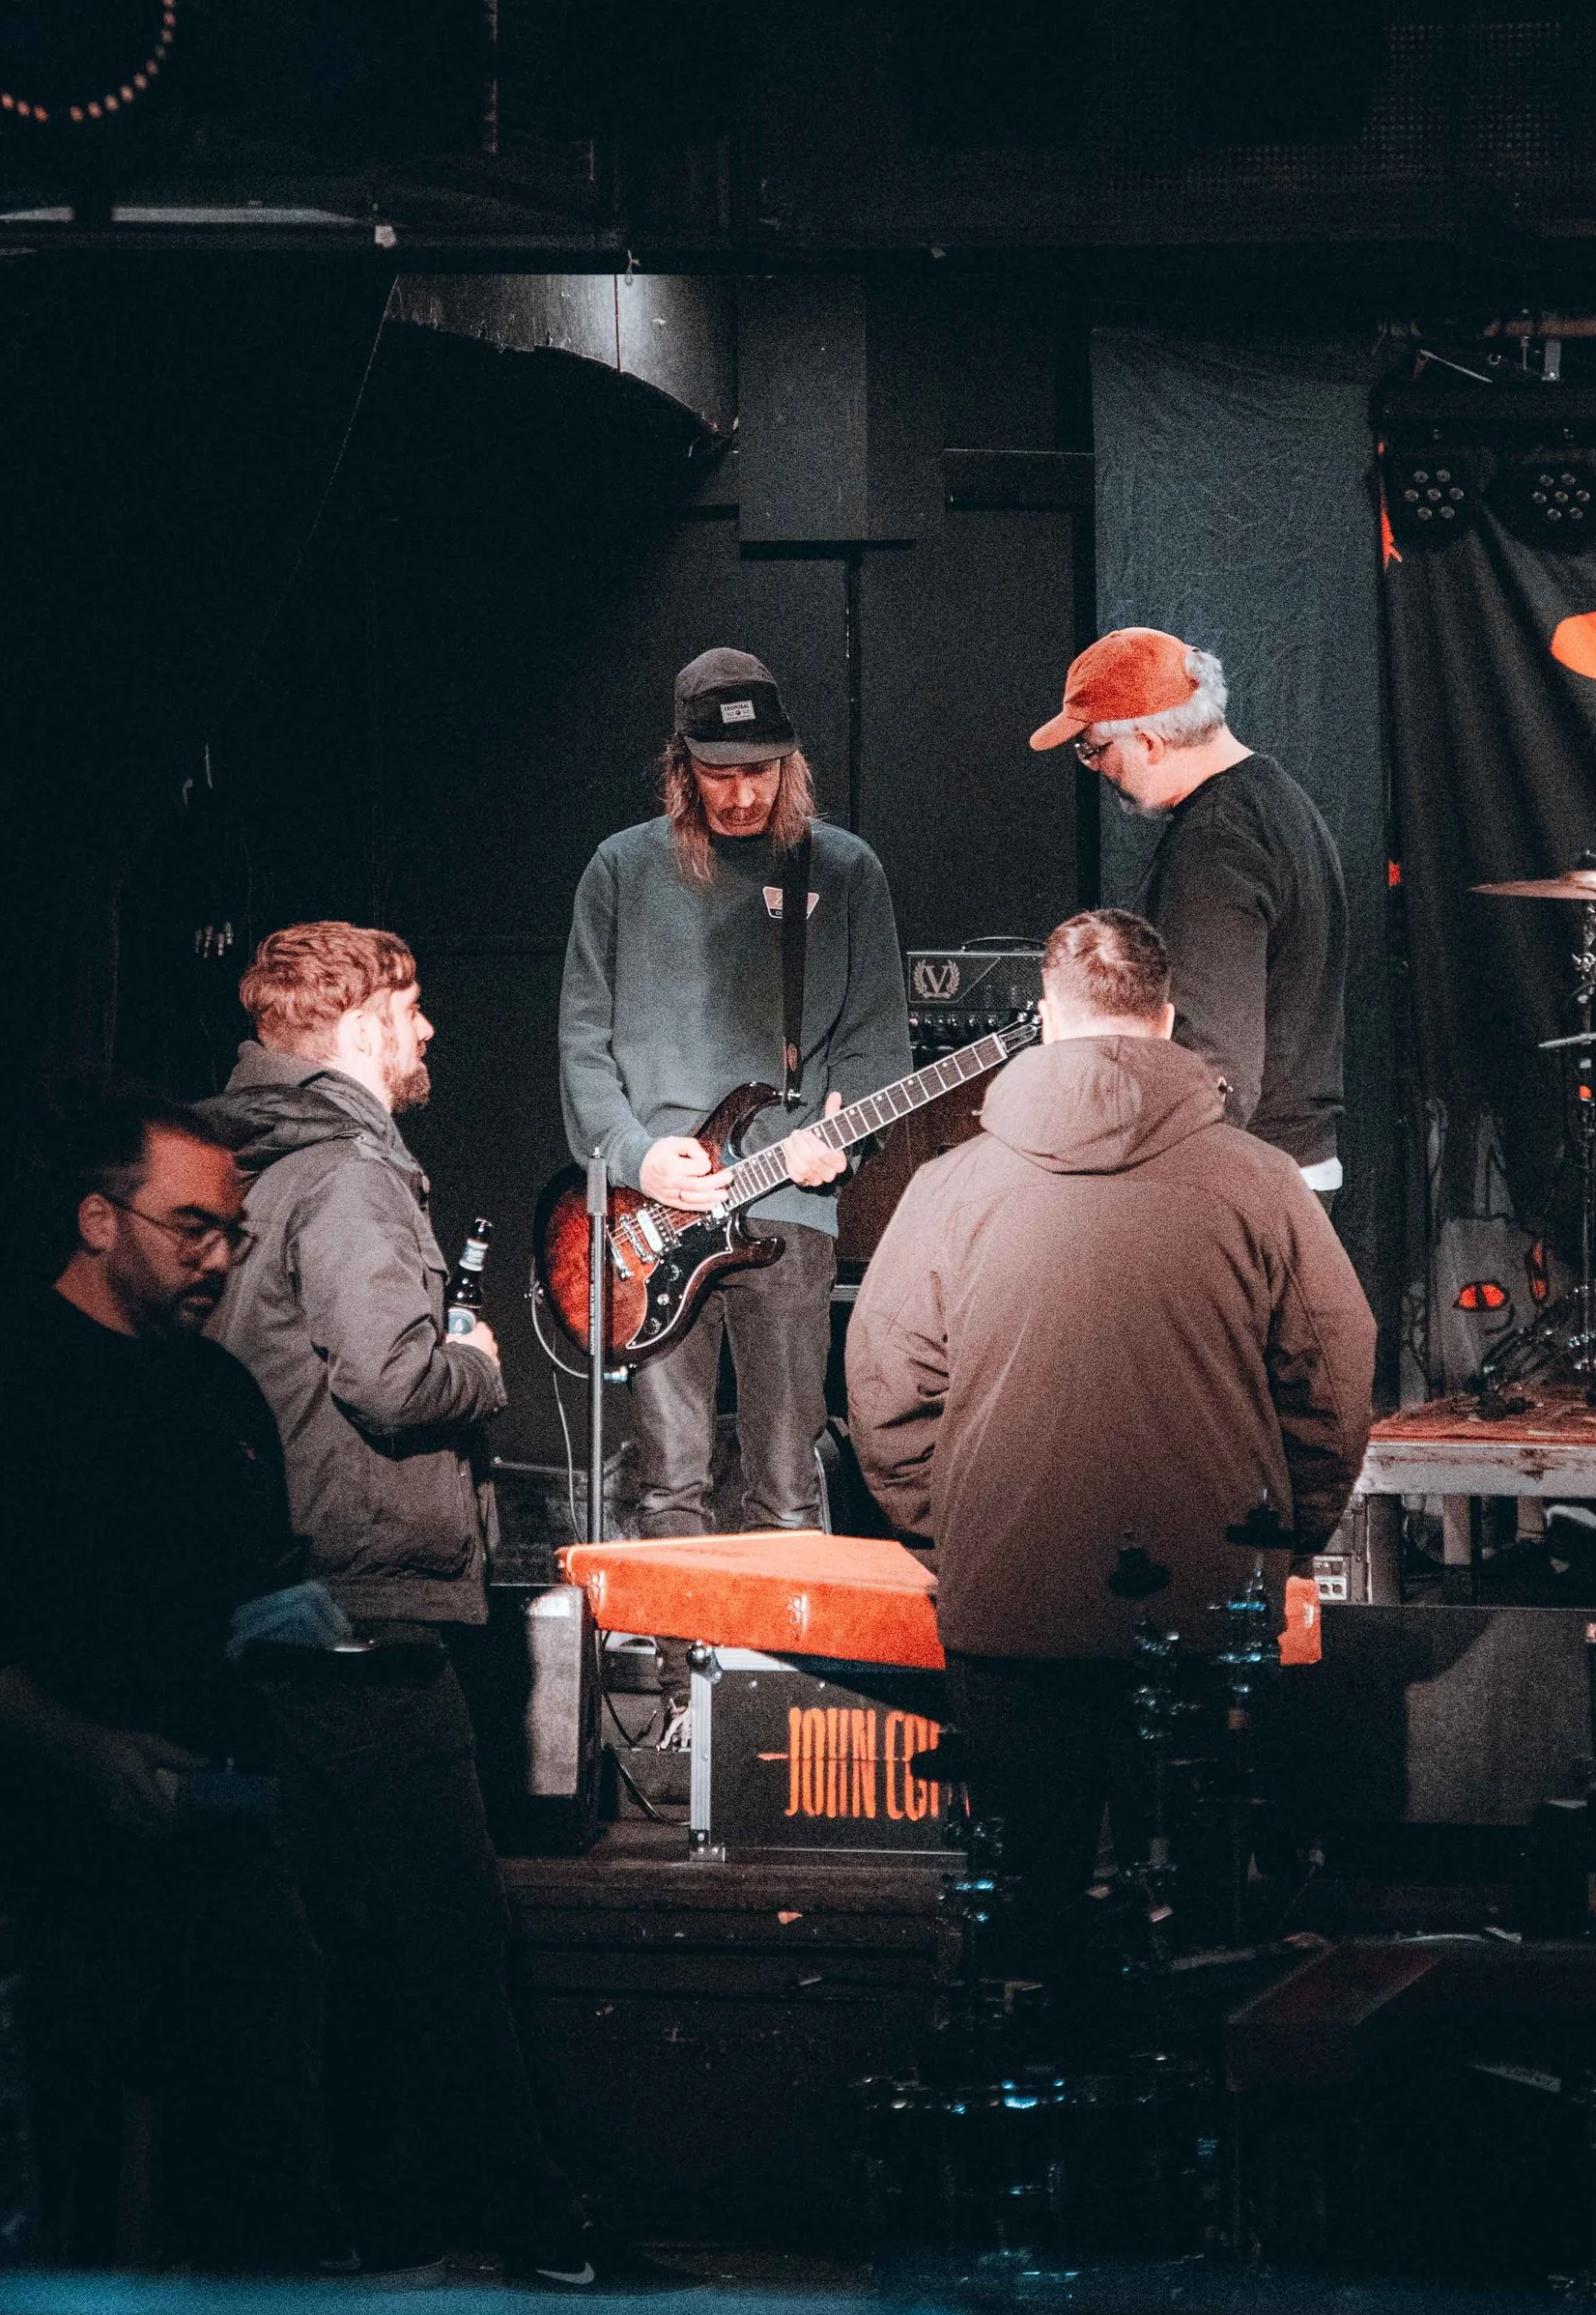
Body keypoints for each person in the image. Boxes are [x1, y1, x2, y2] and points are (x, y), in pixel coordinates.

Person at [843, 907, 1376, 1983]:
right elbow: (1333, 1384)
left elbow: (884, 1397)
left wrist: (965, 1537)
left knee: (1019, 1928)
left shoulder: (949, 1187)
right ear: (1168, 1019)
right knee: (1205, 1938)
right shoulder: (1259, 1182)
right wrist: (1277, 1542)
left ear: (1045, 1019)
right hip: (1203, 1615)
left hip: (1010, 1616)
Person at [0, 1084, 335, 2272]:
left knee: (255, 2167)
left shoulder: (220, 1395)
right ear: (97, 1218)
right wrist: (89, 1752)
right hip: (43, 1854)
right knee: (54, 2194)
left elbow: (241, 1588)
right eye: (193, 1228)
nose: (220, 1257)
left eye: (233, 1231)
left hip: (216, 1839)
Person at [209, 919, 597, 2282]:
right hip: (367, 1608)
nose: (429, 1033)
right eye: (413, 1006)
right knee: (447, 1937)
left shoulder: (234, 1163)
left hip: (273, 1602)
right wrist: (479, 1360)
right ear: (358, 1023)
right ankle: (531, 2228)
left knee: (317, 1946)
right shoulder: (354, 1173)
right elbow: (390, 1378)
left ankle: (340, 2231)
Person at [559, 646, 911, 1539]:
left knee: (788, 1485)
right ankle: (682, 1677)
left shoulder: (844, 870)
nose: (742, 793)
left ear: (789, 765)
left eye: (759, 771)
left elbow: (877, 1042)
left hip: (789, 1206)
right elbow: (583, 1043)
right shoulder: (618, 870)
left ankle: (778, 1676)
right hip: (655, 1213)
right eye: (719, 773)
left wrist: (846, 1133)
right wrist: (638, 1154)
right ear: (682, 768)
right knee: (669, 1481)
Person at [1030, 625, 1349, 1189]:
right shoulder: (1276, 800)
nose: (1097, 771)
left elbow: (1213, 1063)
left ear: (1149, 742)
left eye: (1094, 751)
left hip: (1243, 1173)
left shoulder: (1215, 843)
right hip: (1289, 1158)